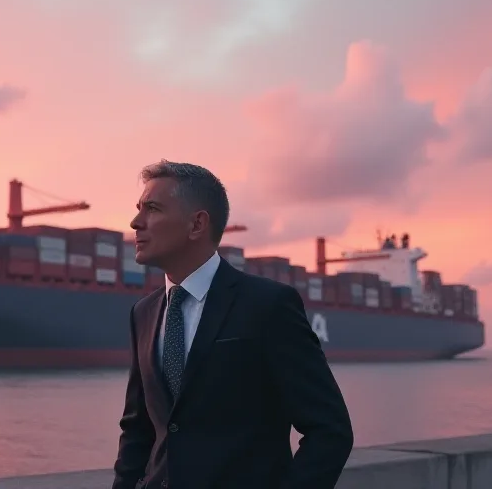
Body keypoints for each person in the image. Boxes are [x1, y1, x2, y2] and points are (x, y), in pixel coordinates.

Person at [112, 160, 354, 489]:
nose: (135, 222)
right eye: (138, 209)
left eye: (152, 209)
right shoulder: (143, 312)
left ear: (197, 224)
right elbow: (138, 430)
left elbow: (330, 430)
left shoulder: (268, 306)